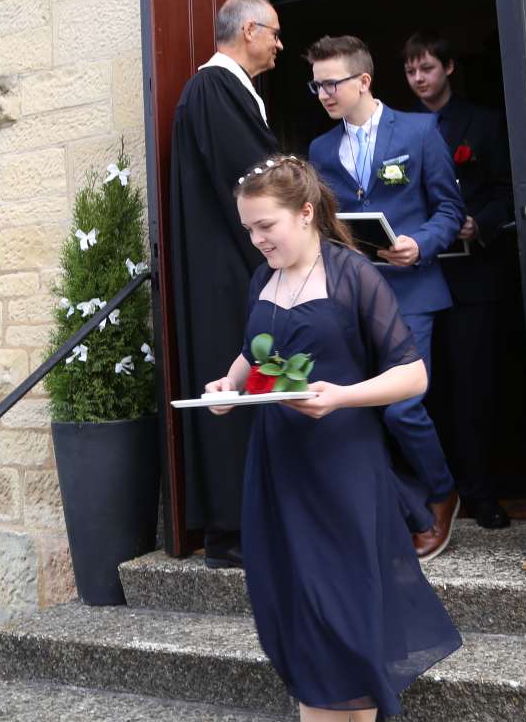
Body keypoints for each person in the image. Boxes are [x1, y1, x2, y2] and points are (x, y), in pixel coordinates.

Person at [203, 155, 461, 720]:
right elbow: (256, 350)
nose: (256, 240)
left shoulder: (353, 274)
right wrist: (230, 385)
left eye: (265, 226)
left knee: (343, 608)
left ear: (305, 212)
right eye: (249, 229)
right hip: (277, 466)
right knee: (295, 604)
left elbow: (412, 374)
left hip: (342, 468)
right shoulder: (262, 279)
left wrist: (341, 396)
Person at [304, 35, 463, 559]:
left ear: (364, 80)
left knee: (400, 408)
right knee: (347, 407)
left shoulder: (420, 131)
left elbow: (447, 208)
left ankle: (442, 494)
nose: (324, 92)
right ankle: (384, 508)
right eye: (317, 84)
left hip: (413, 290)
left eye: (332, 82)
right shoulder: (321, 150)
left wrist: (422, 245)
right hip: (353, 296)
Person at [168, 0, 282, 568]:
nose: (279, 46)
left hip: (231, 266)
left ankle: (245, 521)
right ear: (249, 31)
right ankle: (233, 528)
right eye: (275, 34)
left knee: (255, 380)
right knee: (237, 384)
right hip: (229, 272)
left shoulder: (224, 90)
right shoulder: (215, 88)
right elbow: (258, 180)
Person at [403, 31, 514, 530]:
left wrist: (481, 221)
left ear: (448, 67)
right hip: (420, 276)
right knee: (423, 391)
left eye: (426, 68)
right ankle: (432, 493)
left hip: (472, 276)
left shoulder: (484, 122)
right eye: (410, 71)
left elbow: (511, 192)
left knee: (473, 390)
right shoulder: (400, 131)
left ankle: (482, 494)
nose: (419, 78)